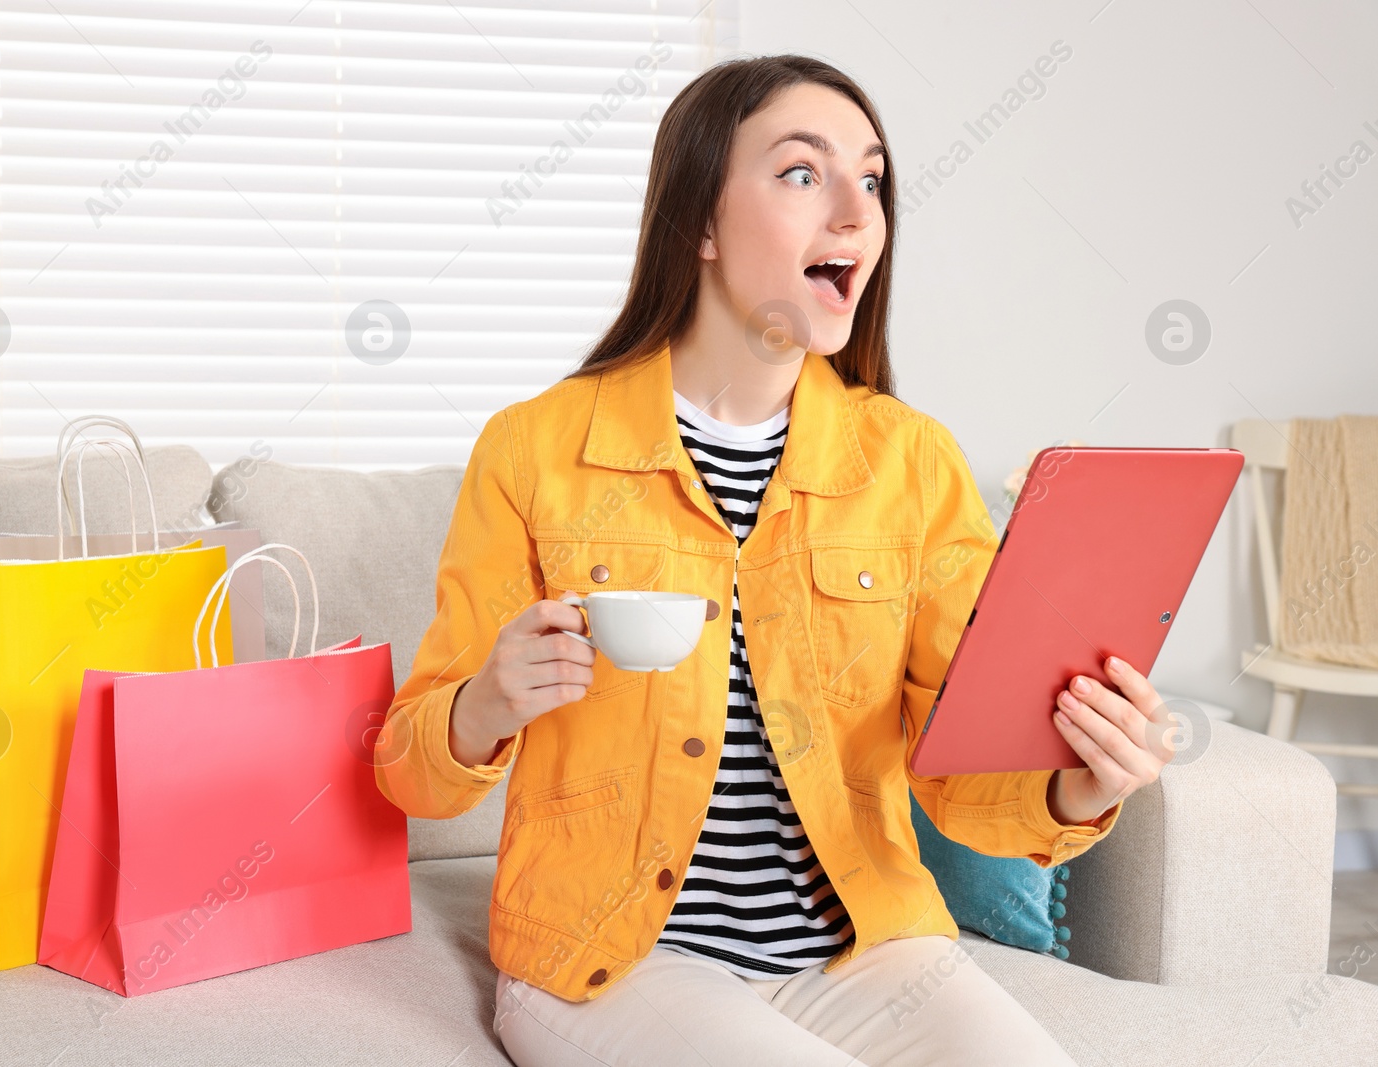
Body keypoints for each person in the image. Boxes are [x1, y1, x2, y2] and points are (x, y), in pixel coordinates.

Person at [375, 53, 1175, 1067]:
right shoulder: (535, 448)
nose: (854, 211)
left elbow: (959, 775)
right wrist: (487, 703)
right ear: (699, 224)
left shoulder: (911, 460)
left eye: (873, 179)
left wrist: (1079, 785)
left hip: (869, 950)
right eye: (802, 173)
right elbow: (410, 768)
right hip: (612, 957)